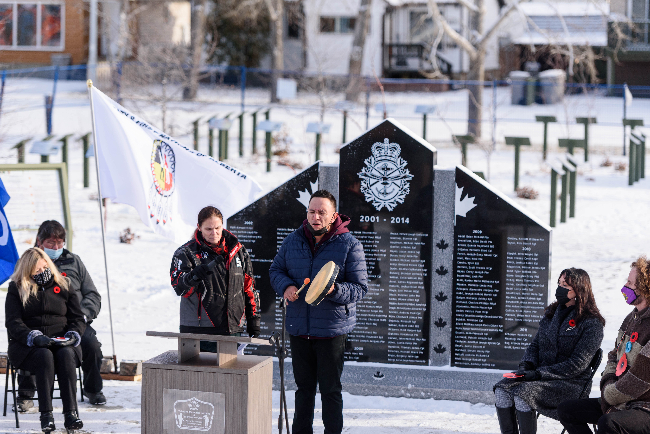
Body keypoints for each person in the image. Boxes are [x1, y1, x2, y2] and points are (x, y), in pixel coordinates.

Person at [269, 189, 368, 434]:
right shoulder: (293, 240)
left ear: (334, 215)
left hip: (331, 331)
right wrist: (287, 286)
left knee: (330, 390)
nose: (316, 217)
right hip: (300, 328)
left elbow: (360, 288)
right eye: (312, 211)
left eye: (322, 212)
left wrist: (334, 290)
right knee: (303, 390)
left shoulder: (349, 244)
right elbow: (275, 270)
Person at [494, 268, 605, 434]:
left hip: (570, 383)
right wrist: (527, 365)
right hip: (541, 377)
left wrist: (539, 374)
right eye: (559, 283)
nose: (559, 288)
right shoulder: (551, 313)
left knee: (523, 394)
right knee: (502, 388)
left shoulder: (591, 323)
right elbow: (536, 345)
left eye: (565, 285)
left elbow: (577, 364)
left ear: (579, 291)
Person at [17, 221, 106, 408]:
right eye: (51, 243)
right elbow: (18, 296)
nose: (56, 248)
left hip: (75, 321)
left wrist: (82, 316)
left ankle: (93, 389)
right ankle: (26, 394)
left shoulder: (74, 261)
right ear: (39, 242)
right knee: (29, 345)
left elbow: (92, 294)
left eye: (60, 243)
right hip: (39, 322)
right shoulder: (28, 262)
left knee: (92, 345)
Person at [558, 257, 650, 434]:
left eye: (630, 283)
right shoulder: (631, 318)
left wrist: (609, 395)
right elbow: (613, 356)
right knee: (567, 410)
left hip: (643, 406)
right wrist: (608, 382)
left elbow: (640, 378)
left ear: (645, 287)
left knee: (608, 423)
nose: (625, 286)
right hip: (617, 397)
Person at [5, 247, 85, 432]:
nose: (43, 273)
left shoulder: (64, 284)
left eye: (45, 267)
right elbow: (13, 322)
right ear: (28, 273)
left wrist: (73, 334)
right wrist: (33, 337)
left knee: (65, 354)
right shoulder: (16, 288)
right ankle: (46, 416)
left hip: (61, 340)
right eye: (37, 271)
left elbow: (77, 318)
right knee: (44, 356)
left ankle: (70, 414)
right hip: (28, 345)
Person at [170, 206, 260, 344]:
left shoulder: (238, 251)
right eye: (208, 229)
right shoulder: (186, 253)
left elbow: (249, 287)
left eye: (218, 228)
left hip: (232, 329)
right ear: (199, 227)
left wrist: (253, 319)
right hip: (198, 331)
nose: (214, 233)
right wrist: (193, 277)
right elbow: (179, 287)